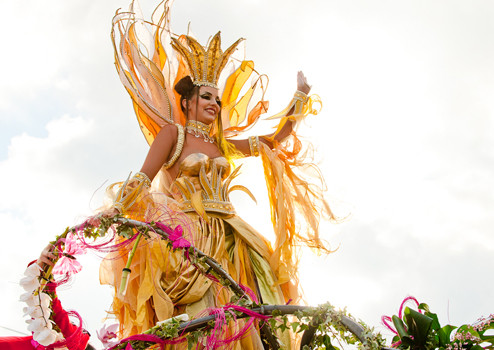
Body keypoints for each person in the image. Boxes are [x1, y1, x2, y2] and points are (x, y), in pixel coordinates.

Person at [94, 1, 335, 348]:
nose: (215, 105)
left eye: (218, 100)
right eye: (207, 96)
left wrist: (299, 100)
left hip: (233, 237)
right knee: (201, 317)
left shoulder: (222, 144)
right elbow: (144, 179)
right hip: (190, 236)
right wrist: (117, 210)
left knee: (255, 299)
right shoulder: (172, 135)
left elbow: (272, 141)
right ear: (188, 102)